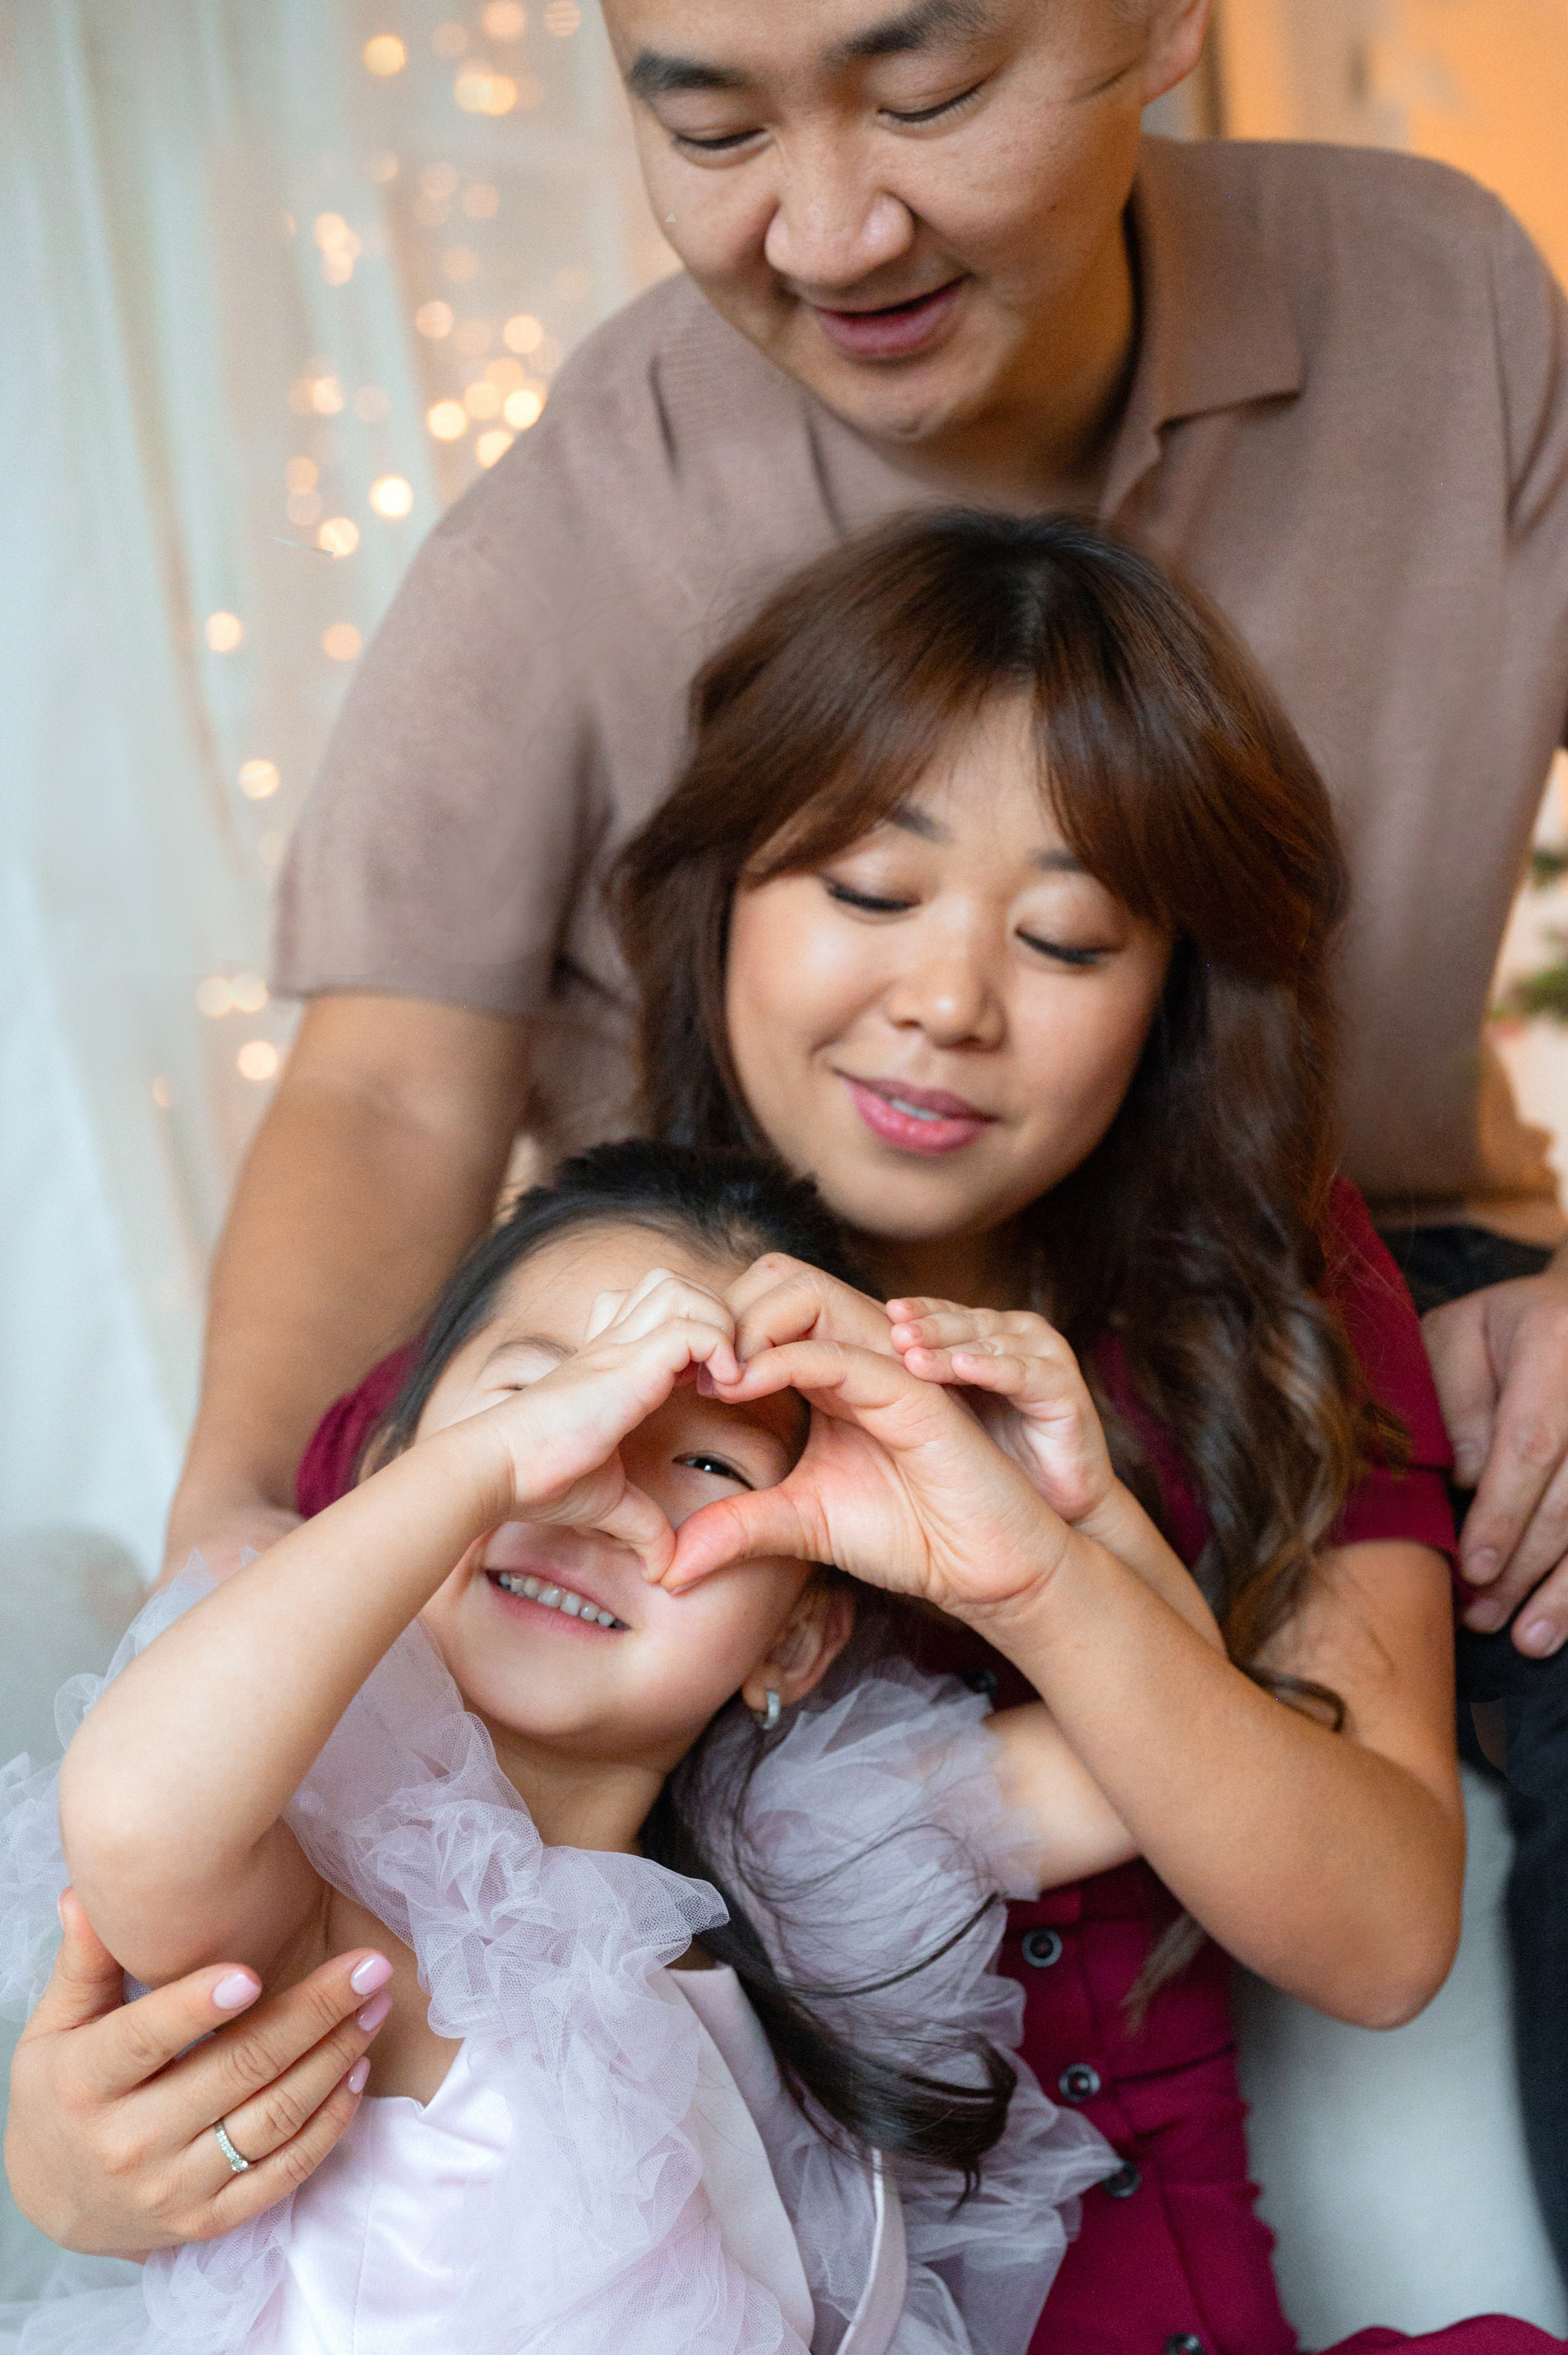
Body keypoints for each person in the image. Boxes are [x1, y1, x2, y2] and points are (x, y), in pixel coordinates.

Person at [23, 0, 1557, 2264]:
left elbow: (1372, 1903)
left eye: (924, 90)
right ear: (704, 886)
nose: (944, 992)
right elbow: (222, 1834)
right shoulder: (565, 1355)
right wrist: (71, 2138)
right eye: (713, 116)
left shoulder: (1246, 1318)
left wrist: (1062, 1572)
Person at [0, 1144, 1120, 2354]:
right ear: (390, 1476)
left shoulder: (807, 1851)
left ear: (794, 1639)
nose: (597, 1485)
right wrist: (487, 1467)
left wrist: (1057, 1515)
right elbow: (134, 1815)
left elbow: (1150, 1764)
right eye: (544, 1404)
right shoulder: (339, 1906)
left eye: (705, 1461)